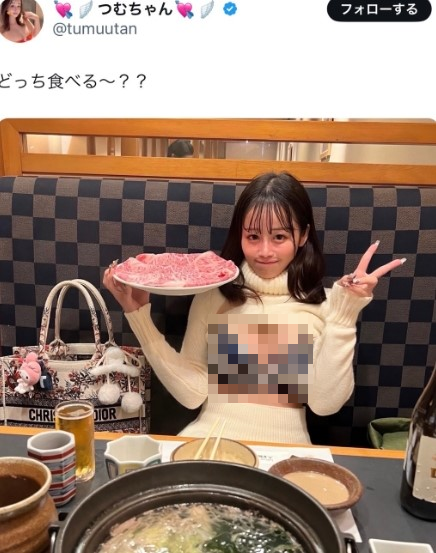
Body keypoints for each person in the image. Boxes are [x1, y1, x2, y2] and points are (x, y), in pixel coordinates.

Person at [103, 172, 405, 444]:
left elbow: (324, 404)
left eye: (279, 236)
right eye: (253, 236)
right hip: (208, 440)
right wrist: (138, 315)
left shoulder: (325, 305)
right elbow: (192, 394)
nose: (264, 251)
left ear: (302, 235)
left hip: (286, 448)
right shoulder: (214, 296)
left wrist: (345, 314)